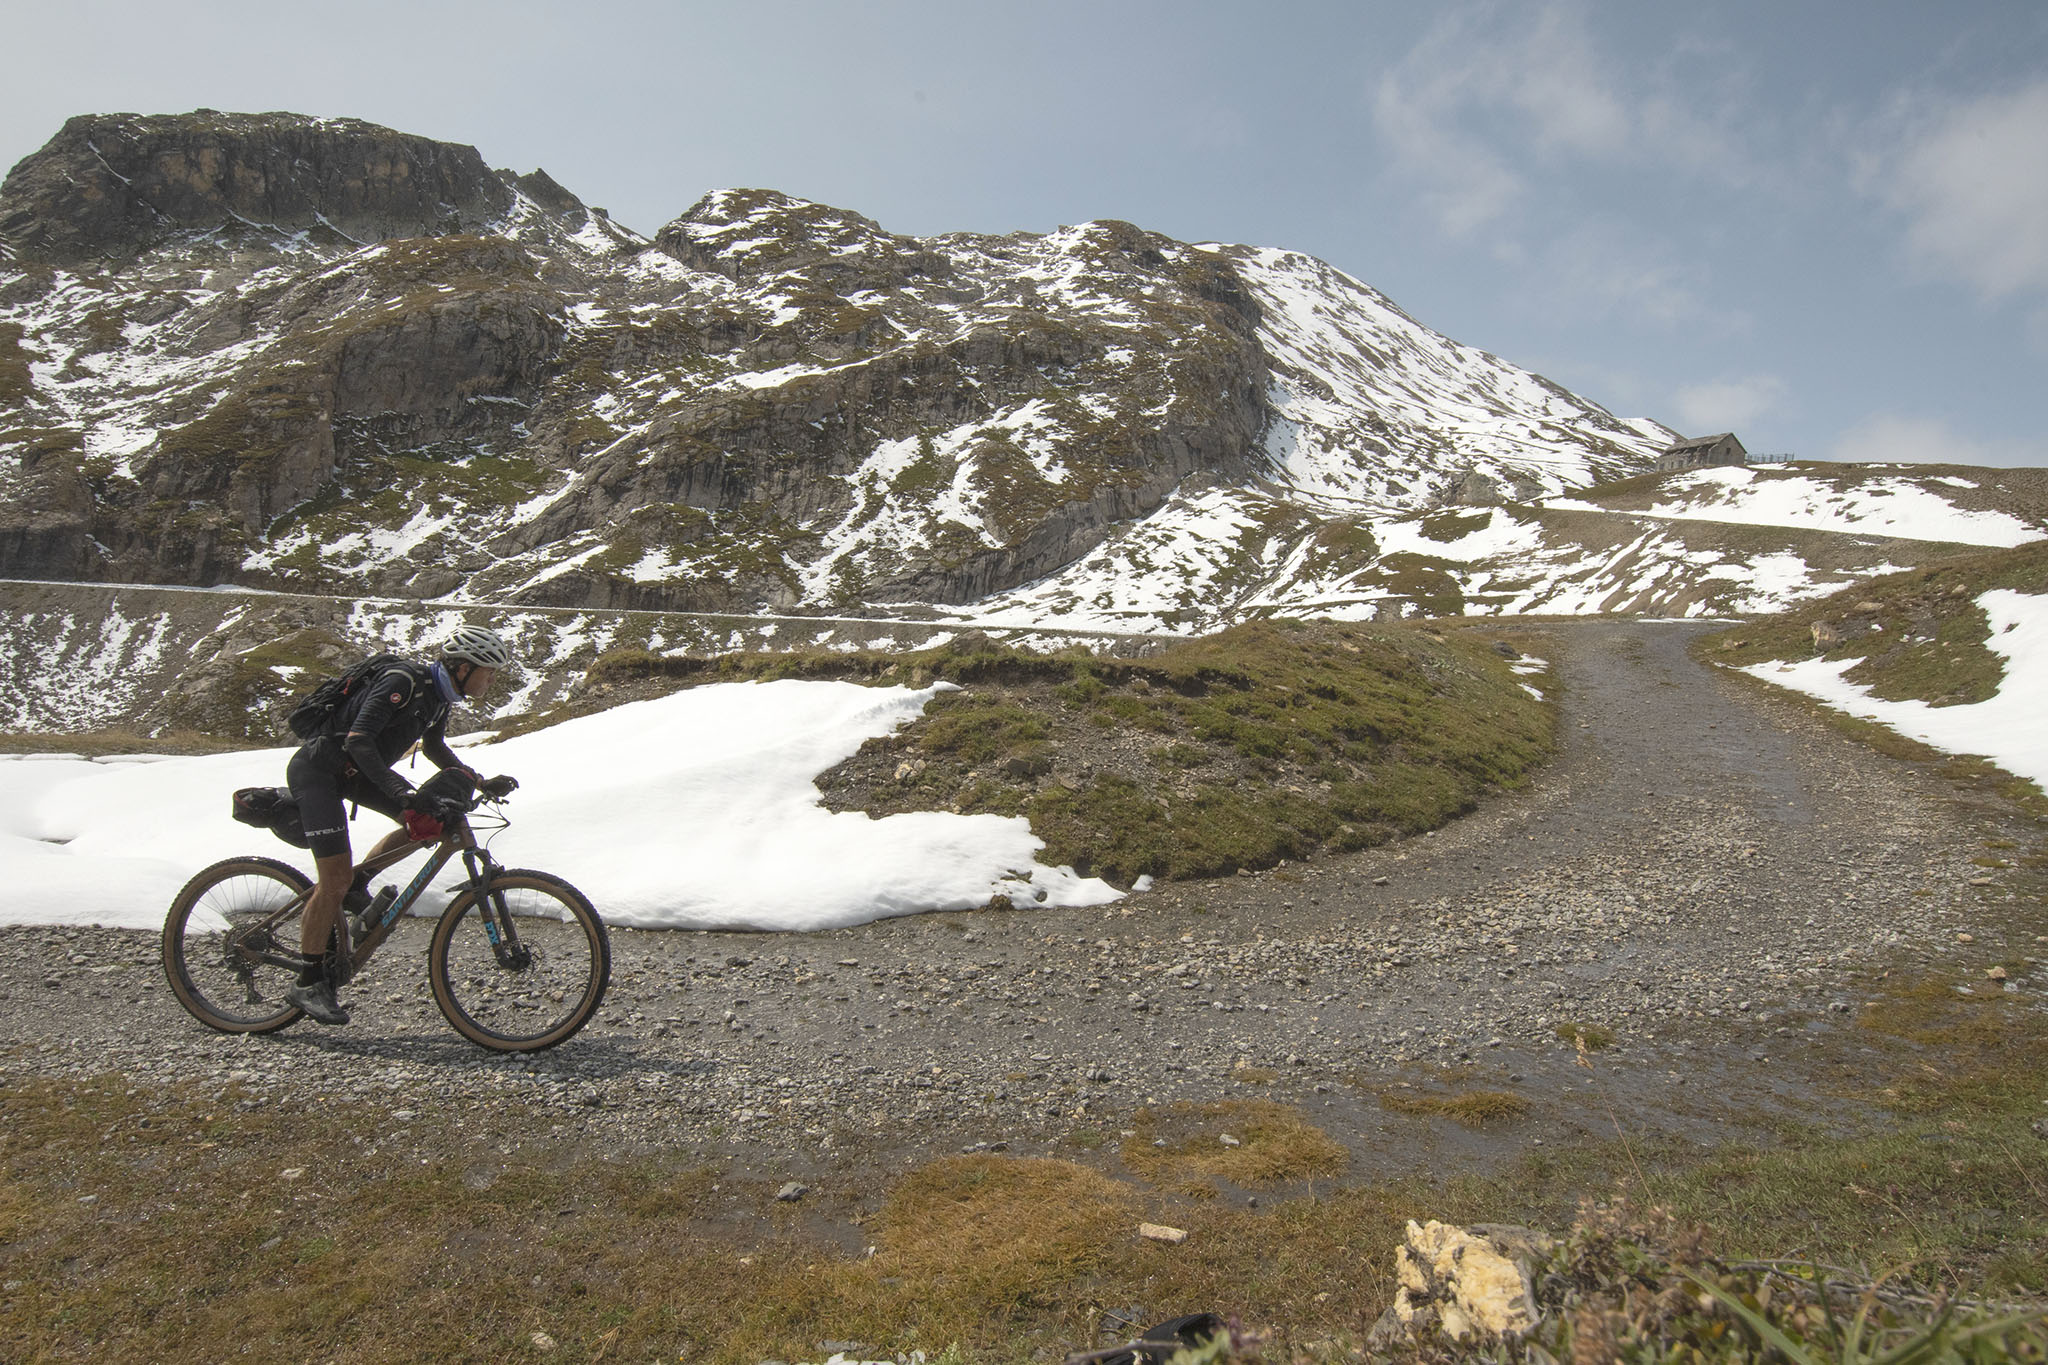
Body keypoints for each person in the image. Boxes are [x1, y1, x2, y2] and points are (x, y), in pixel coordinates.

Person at [283, 625, 519, 1025]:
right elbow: (359, 739)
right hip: (320, 771)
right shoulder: (403, 682)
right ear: (463, 667)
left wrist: (478, 781)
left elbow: (434, 748)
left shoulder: (439, 698)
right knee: (333, 879)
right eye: (488, 670)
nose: (491, 679)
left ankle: (360, 883)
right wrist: (398, 791)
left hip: (357, 773)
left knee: (428, 823)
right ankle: (307, 981)